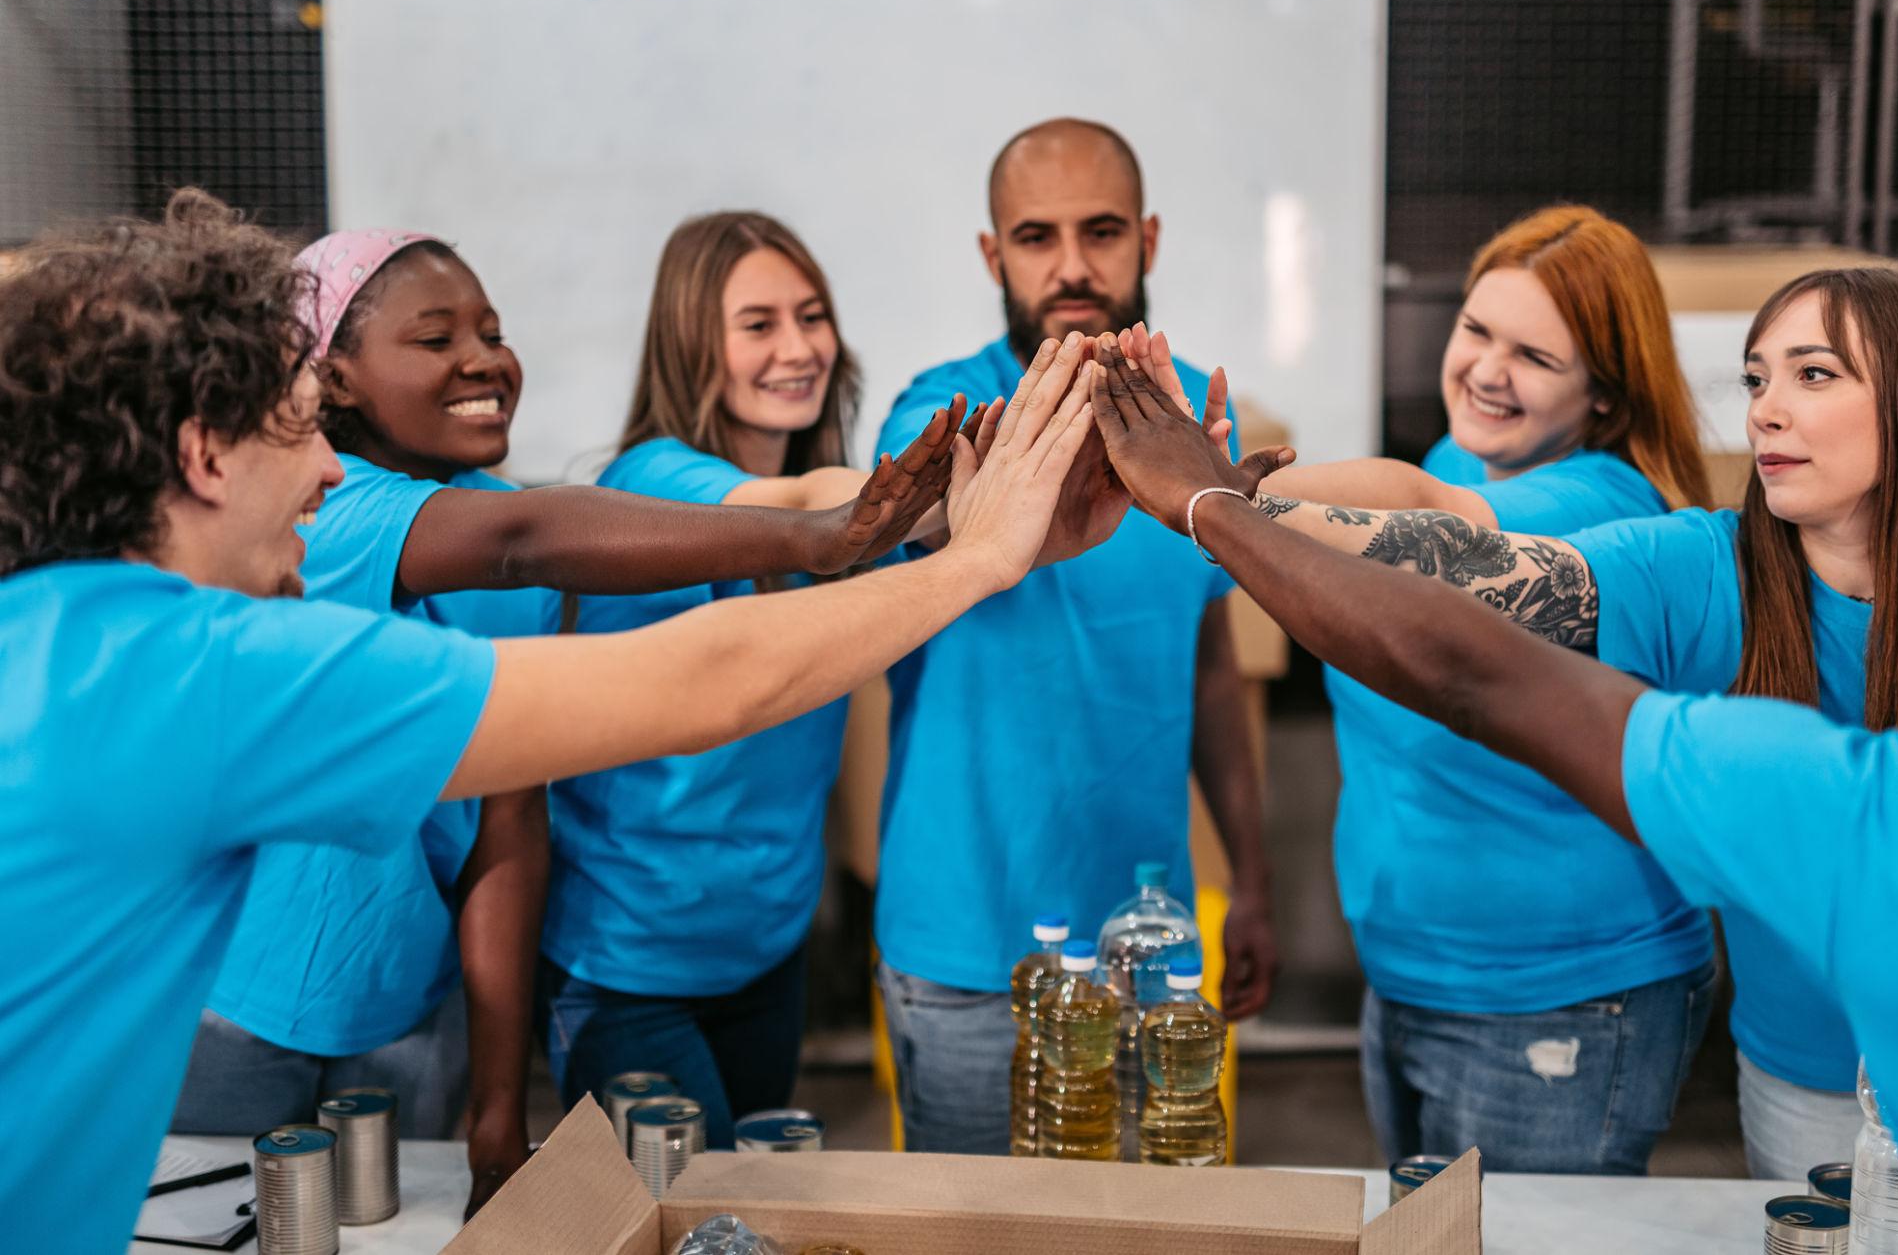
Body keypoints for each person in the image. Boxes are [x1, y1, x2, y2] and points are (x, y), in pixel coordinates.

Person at [0, 191, 1096, 1254]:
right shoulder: (219, 671)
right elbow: (695, 680)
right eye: (296, 426)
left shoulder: (50, 628)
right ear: (203, 454)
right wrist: (974, 556)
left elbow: (514, 808)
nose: (328, 465)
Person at [1087, 340, 1898, 1250]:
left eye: (1816, 373)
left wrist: (1211, 505)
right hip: (1773, 1069)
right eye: (1757, 376)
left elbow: (1479, 663)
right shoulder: (1711, 569)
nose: (1770, 409)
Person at [171, 224, 968, 1208]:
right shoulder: (328, 514)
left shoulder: (497, 529)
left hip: (413, 1002)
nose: (482, 359)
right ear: (331, 378)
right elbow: (521, 537)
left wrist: (501, 1105)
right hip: (236, 1006)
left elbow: (510, 826)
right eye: (434, 339)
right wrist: (828, 532)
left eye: (491, 331)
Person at [1242, 206, 1715, 1174]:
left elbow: (1432, 520)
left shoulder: (1595, 504)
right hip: (1416, 976)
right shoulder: (1457, 457)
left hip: (1558, 997)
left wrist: (1207, 489)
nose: (1485, 370)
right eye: (1475, 330)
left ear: (1604, 398)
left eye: (1534, 356)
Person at [871, 117, 1277, 1154]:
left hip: (1150, 952)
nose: (1069, 266)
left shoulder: (1191, 432)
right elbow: (904, 515)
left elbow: (1210, 674)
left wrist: (1254, 881)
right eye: (1034, 237)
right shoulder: (940, 411)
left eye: (1099, 232)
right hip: (965, 955)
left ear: (1146, 239)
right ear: (990, 255)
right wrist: (979, 506)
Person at [542, 212, 946, 1146]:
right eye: (758, 325)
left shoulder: (843, 524)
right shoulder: (656, 483)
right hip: (628, 967)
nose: (799, 349)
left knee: (748, 1215)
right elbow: (808, 507)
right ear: (694, 346)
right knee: (690, 1227)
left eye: (812, 317)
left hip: (768, 954)